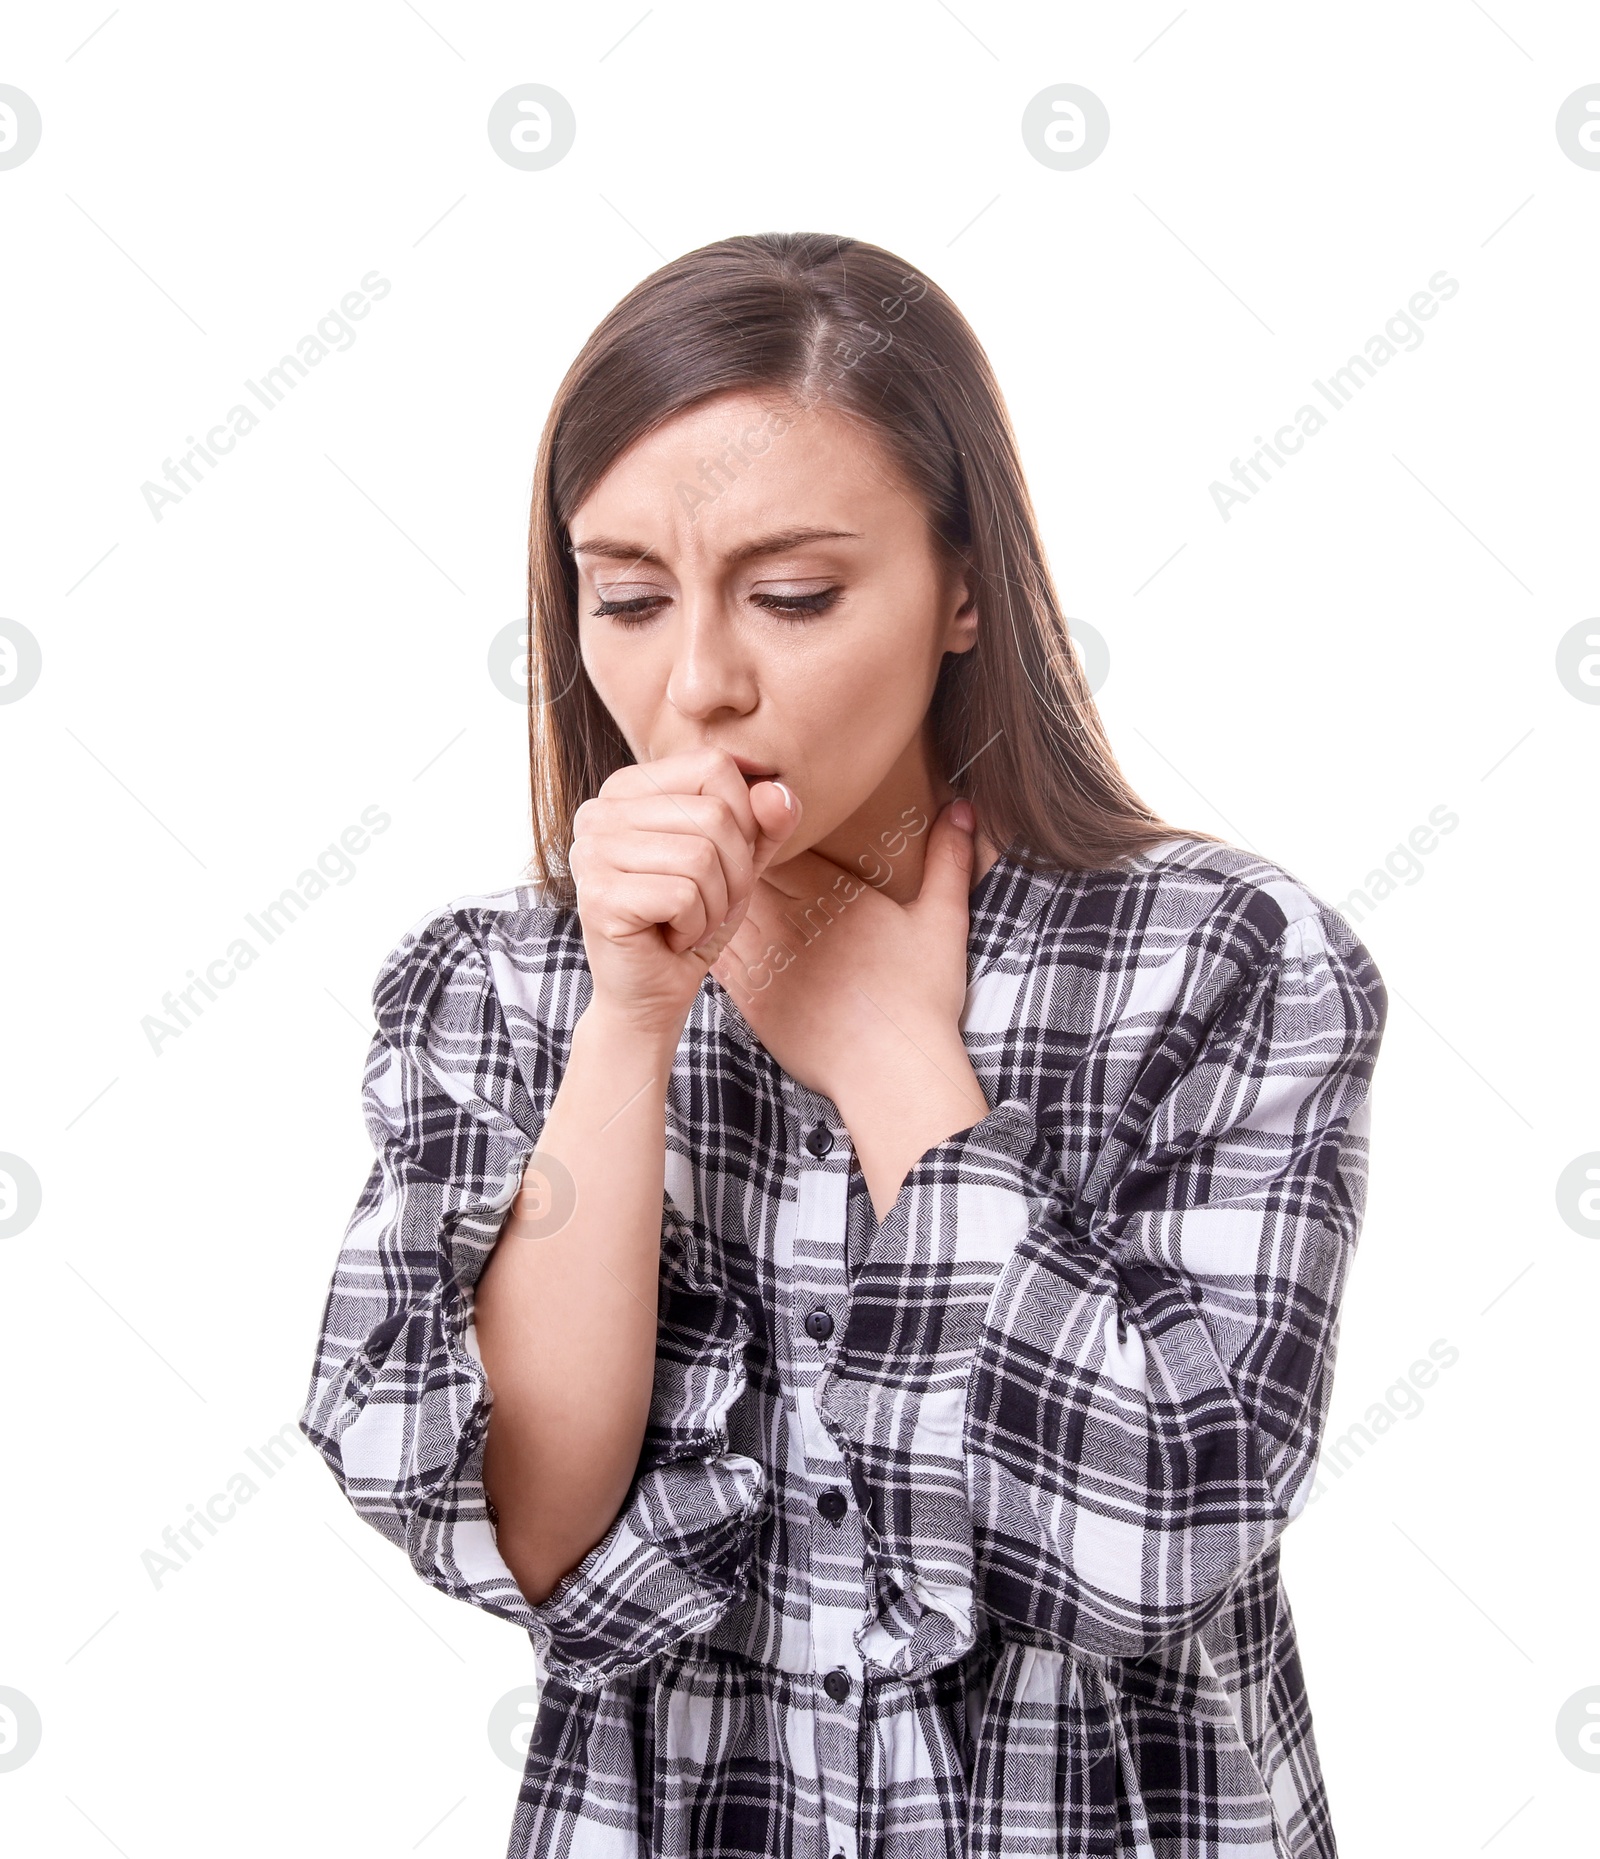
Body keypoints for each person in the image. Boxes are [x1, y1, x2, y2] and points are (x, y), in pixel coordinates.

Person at [298, 232, 1387, 1859]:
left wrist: (892, 1058)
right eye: (628, 600)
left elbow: (1165, 1529)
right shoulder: (498, 984)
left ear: (963, 588)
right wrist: (634, 1020)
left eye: (794, 596)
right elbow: (510, 1521)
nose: (698, 686)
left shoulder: (1217, 956)